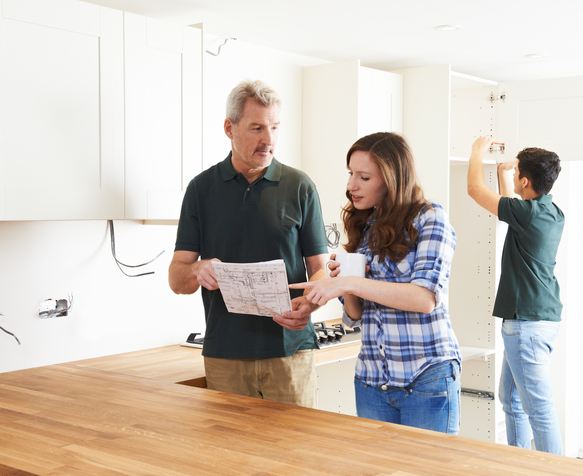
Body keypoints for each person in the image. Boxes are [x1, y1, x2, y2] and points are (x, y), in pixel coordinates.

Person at [168, 79, 329, 408]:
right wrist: (197, 269)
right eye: (257, 128)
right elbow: (176, 278)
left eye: (274, 127)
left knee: (294, 453)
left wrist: (311, 304)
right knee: (230, 457)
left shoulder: (300, 187)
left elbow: (321, 272)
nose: (268, 140)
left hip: (291, 354)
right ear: (230, 128)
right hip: (226, 357)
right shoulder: (201, 190)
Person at [290, 132, 461, 434]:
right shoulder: (365, 226)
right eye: (351, 174)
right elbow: (356, 315)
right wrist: (342, 281)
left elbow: (424, 299)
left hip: (425, 377)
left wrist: (350, 284)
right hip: (372, 381)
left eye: (364, 177)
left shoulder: (429, 219)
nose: (351, 186)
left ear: (391, 179)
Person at [466, 135, 564, 454]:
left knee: (539, 410)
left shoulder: (528, 214)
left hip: (526, 325)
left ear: (525, 180)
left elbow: (474, 191)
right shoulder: (549, 211)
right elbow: (511, 208)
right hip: (539, 319)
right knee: (511, 400)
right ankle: (520, 464)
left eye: (518, 172)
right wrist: (504, 173)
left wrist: (476, 153)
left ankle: (556, 474)